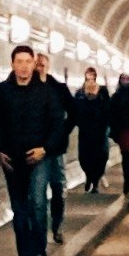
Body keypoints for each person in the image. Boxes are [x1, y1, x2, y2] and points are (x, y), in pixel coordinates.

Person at [0, 41, 62, 256]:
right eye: (19, 62)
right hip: (12, 158)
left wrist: (45, 149)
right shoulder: (1, 92)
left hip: (39, 156)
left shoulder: (46, 92)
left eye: (28, 62)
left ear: (34, 64)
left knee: (38, 202)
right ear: (12, 64)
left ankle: (39, 253)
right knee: (19, 207)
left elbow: (58, 124)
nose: (24, 67)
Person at [35, 50, 76, 239]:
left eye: (42, 64)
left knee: (58, 188)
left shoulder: (58, 88)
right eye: (37, 64)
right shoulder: (28, 88)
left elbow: (74, 113)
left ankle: (57, 225)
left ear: (48, 66)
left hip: (56, 148)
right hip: (35, 147)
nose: (39, 68)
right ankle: (40, 235)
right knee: (38, 194)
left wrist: (63, 132)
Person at [73, 67, 114, 199]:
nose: (90, 78)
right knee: (84, 157)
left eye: (92, 76)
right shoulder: (79, 93)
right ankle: (89, 177)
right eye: (88, 76)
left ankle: (95, 182)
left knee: (100, 157)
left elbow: (108, 109)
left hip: (100, 131)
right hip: (85, 131)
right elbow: (76, 111)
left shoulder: (103, 91)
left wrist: (96, 97)